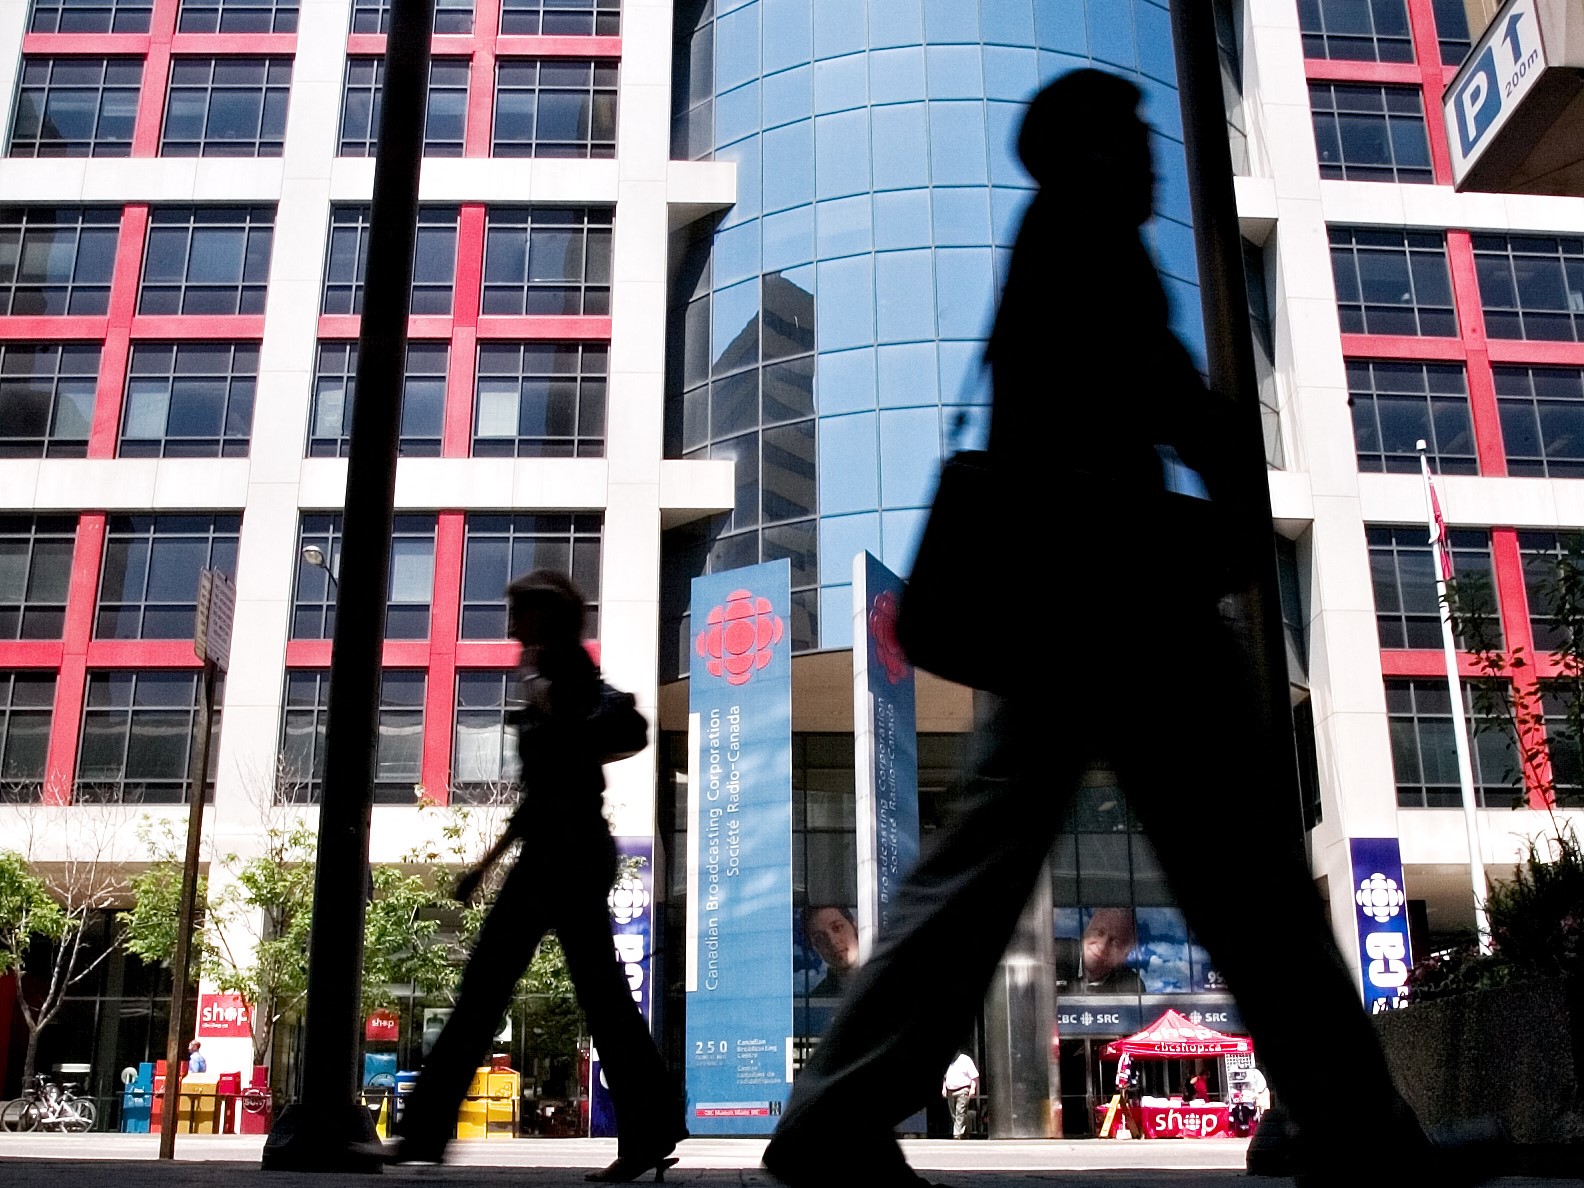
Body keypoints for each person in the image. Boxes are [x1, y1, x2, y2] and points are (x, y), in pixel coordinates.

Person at [761, 68, 1452, 1188]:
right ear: (1089, 149)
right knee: (1242, 872)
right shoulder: (1090, 240)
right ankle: (1346, 1123)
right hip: (1120, 600)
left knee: (993, 867)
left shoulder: (1056, 236)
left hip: (1063, 598)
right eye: (1131, 133)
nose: (1151, 151)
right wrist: (1228, 474)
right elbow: (1166, 399)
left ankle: (839, 1114)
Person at [389, 571, 686, 1183]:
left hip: (568, 855)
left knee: (494, 992)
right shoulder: (546, 678)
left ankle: (422, 1134)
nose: (509, 626)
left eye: (519, 613)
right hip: (552, 853)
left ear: (547, 619)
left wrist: (571, 726)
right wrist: (485, 865)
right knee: (574, 996)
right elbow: (539, 793)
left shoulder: (567, 675)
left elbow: (625, 726)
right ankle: (651, 1129)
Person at [1073, 907, 1143, 995]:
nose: (1102, 946)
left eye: (1115, 942)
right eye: (1099, 933)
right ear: (1086, 931)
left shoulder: (1132, 986)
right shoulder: (1054, 955)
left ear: (1125, 955)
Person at [805, 905, 860, 996]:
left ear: (854, 926)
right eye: (820, 938)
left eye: (837, 928)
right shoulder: (817, 999)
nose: (832, 942)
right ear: (815, 947)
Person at [940, 1051, 978, 1139]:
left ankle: (957, 1134)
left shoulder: (965, 1059)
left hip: (963, 1089)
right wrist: (944, 1088)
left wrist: (972, 1088)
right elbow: (945, 1077)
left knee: (960, 1111)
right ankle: (964, 1132)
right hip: (950, 1090)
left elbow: (974, 1076)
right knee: (954, 1114)